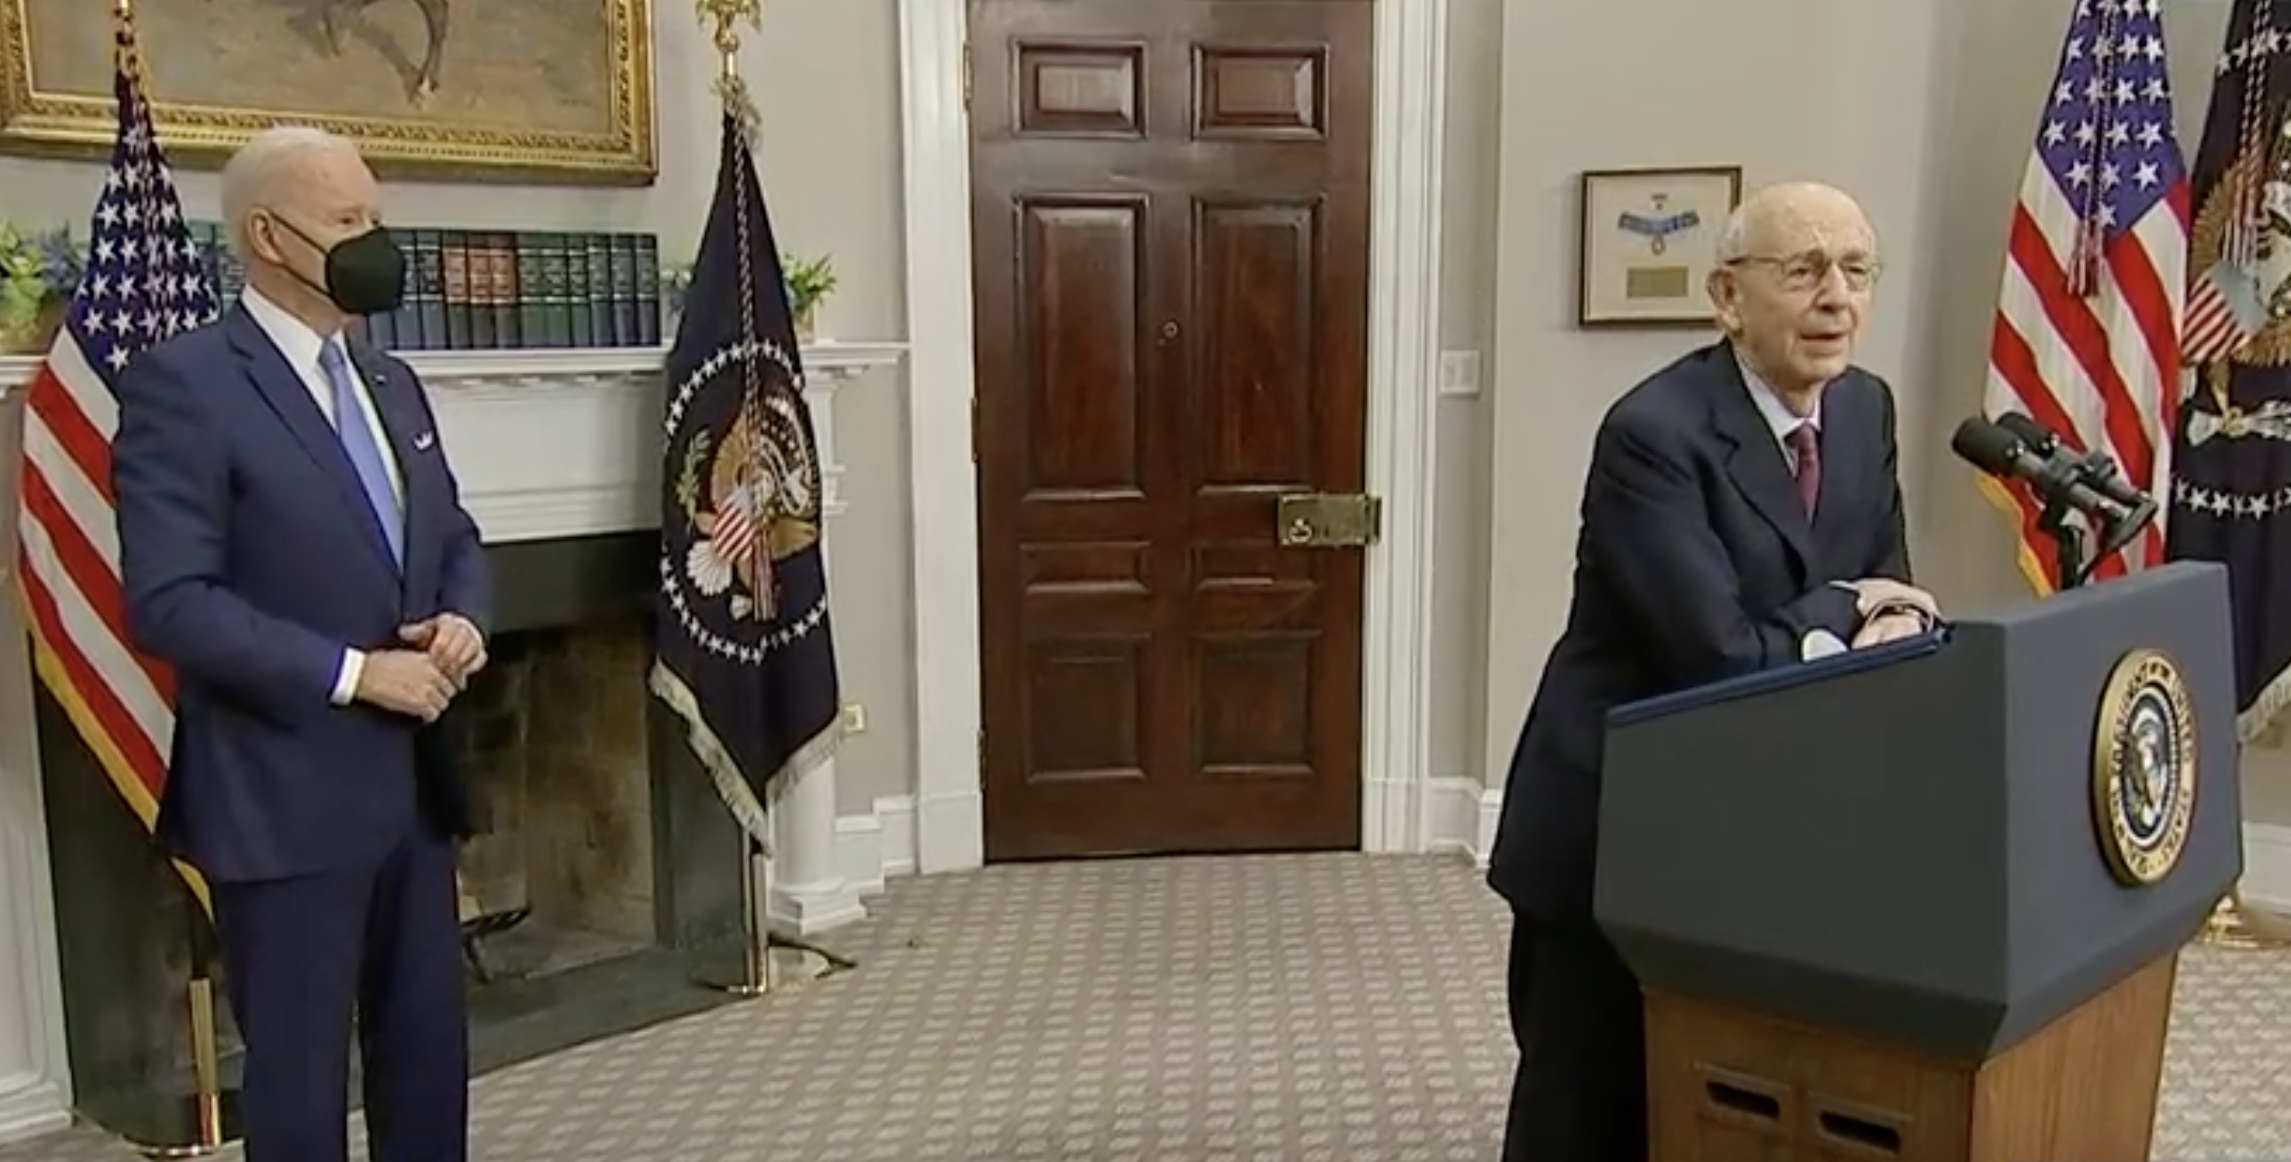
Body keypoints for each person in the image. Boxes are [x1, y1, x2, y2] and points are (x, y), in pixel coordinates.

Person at [1484, 181, 1937, 1162]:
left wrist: (1868, 606)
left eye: (1855, 271)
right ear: (1726, 296)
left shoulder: (1863, 409)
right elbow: (1717, 655)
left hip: (1766, 823)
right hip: (1617, 826)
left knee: (1712, 1100)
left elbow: (1892, 591)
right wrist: (1839, 607)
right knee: (1582, 1105)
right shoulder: (1652, 432)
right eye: (1803, 269)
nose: (1835, 297)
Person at [113, 124, 489, 1162]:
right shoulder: (184, 385)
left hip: (412, 793)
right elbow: (172, 602)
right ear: (269, 237)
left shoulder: (391, 382)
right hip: (281, 798)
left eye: (377, 215)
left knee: (426, 1060)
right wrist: (359, 674)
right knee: (301, 1083)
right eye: (349, 220)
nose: (376, 240)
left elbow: (451, 536)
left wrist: (464, 617)